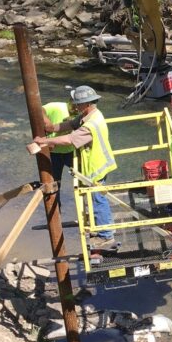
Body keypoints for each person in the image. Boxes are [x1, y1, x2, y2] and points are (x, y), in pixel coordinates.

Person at [33, 85, 118, 250]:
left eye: (78, 104)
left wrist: (45, 141)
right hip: (94, 165)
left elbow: (70, 140)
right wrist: (52, 128)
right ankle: (100, 230)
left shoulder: (90, 124)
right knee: (95, 199)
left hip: (96, 167)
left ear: (86, 104)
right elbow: (71, 124)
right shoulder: (90, 115)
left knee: (98, 200)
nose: (75, 106)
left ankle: (106, 236)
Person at [42, 99, 76, 185]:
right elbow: (39, 110)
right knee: (54, 182)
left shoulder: (82, 113)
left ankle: (84, 196)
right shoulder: (57, 107)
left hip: (71, 152)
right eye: (74, 105)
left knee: (81, 177)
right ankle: (55, 198)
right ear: (70, 100)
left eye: (78, 105)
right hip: (52, 154)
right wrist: (47, 121)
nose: (76, 109)